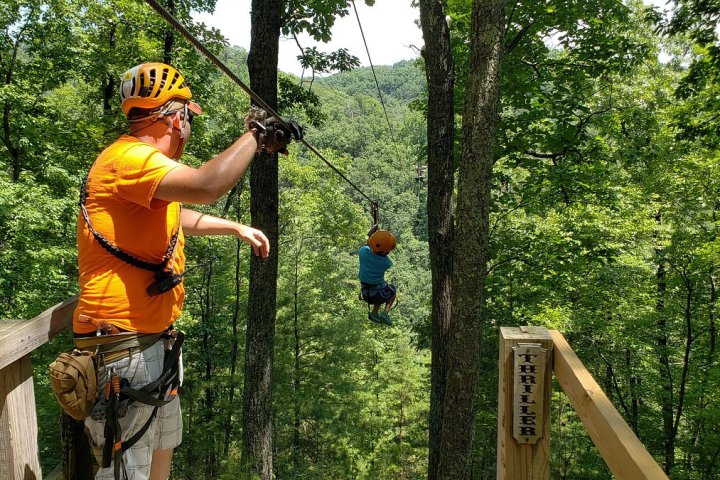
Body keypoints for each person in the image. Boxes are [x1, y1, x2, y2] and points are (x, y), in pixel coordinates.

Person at [72, 62, 301, 480]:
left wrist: (232, 227)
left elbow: (178, 215)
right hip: (122, 348)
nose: (188, 130)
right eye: (188, 119)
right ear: (175, 118)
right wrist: (255, 135)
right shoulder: (130, 159)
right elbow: (207, 184)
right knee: (127, 473)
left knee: (160, 460)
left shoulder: (138, 169)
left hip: (149, 344)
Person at [358, 227, 397, 326]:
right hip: (378, 295)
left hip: (366, 294)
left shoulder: (362, 253)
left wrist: (372, 236)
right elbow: (381, 255)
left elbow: (368, 246)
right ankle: (385, 313)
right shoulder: (386, 263)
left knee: (382, 287)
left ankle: (374, 313)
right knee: (391, 289)